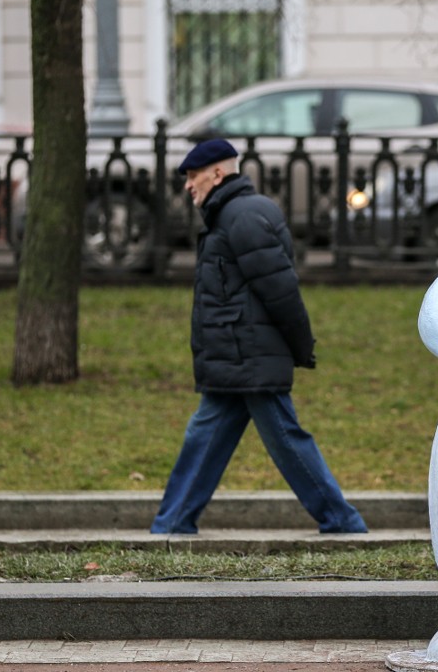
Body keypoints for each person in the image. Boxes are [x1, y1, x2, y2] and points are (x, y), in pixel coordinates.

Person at [151, 139, 367, 534]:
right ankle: (171, 524)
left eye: (193, 176)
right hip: (236, 355)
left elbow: (280, 289)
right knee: (206, 436)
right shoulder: (231, 214)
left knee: (286, 439)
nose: (188, 186)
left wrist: (300, 347)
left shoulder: (243, 215)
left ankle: (342, 521)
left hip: (250, 354)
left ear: (218, 173)